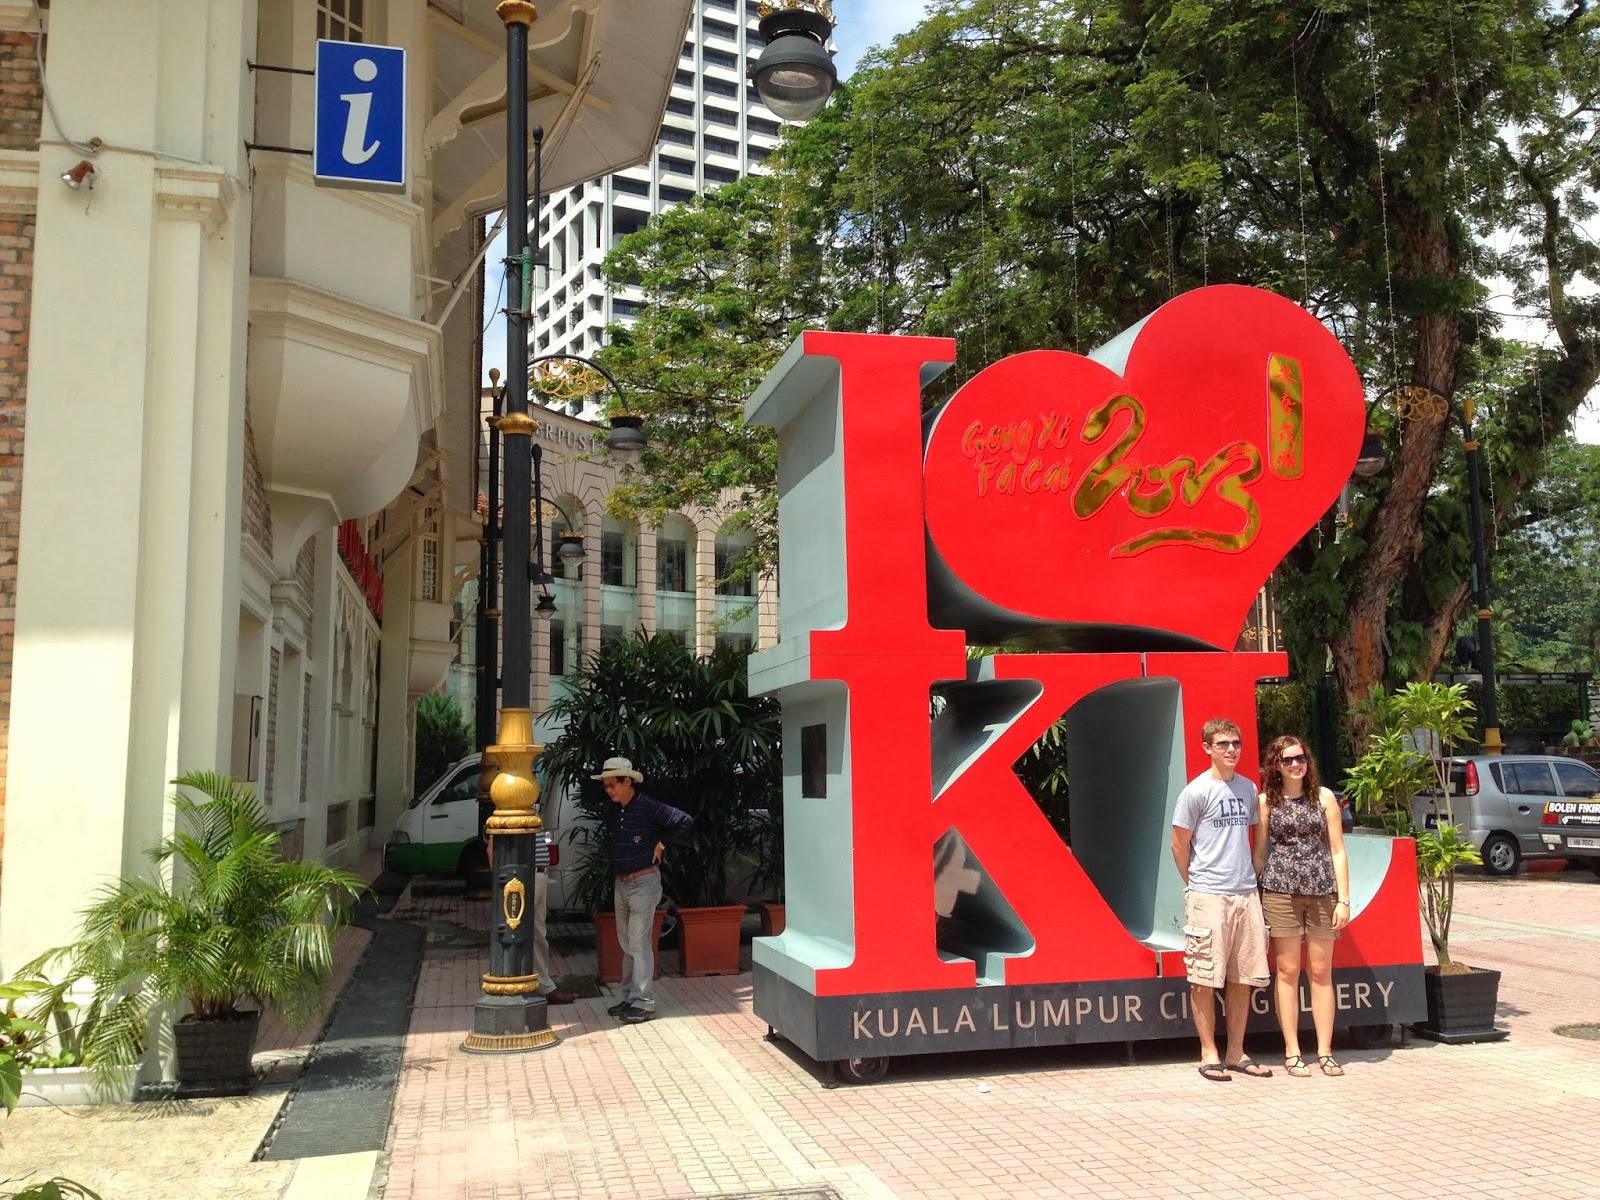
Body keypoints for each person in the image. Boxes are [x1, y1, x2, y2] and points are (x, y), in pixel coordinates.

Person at [1171, 717, 1273, 1082]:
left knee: (1242, 976)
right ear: (1207, 748)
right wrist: (1196, 883)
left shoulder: (1248, 788)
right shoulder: (1195, 792)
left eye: (1236, 743)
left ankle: (1236, 1052)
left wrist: (1251, 875)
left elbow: (1255, 839)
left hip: (1245, 894)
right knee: (1203, 976)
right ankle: (1208, 1052)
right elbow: (1178, 844)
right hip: (1208, 895)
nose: (1231, 750)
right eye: (1223, 744)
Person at [1253, 735, 1350, 1078]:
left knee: (1321, 972)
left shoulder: (1324, 797)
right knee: (1288, 971)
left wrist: (1344, 899)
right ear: (1276, 766)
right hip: (1280, 892)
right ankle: (1292, 1051)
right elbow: (1260, 853)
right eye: (1287, 760)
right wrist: (1252, 892)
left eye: (1301, 758)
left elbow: (1337, 850)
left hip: (1322, 891)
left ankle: (1325, 1051)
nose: (1296, 765)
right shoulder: (1266, 801)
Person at [594, 756, 693, 1024]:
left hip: (643, 882)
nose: (609, 790)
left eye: (613, 784)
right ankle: (631, 998)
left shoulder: (648, 806)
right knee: (628, 943)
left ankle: (644, 1002)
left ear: (628, 781)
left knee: (638, 943)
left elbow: (684, 820)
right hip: (623, 882)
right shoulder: (618, 810)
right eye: (606, 786)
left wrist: (662, 844)